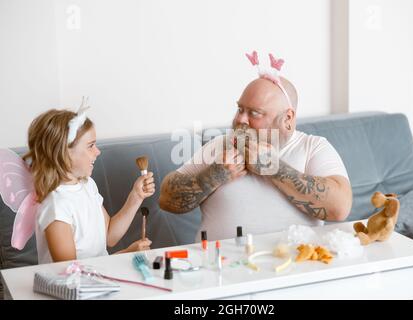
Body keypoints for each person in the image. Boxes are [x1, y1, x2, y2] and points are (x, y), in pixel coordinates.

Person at [159, 52, 352, 241]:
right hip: (220, 267)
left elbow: (340, 208)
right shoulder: (221, 146)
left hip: (292, 267)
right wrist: (214, 175)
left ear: (287, 118)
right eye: (240, 109)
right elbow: (166, 199)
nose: (240, 119)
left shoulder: (312, 147)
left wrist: (274, 168)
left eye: (255, 113)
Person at [24, 108, 154, 263]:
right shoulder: (56, 207)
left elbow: (109, 236)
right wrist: (126, 254)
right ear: (64, 154)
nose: (98, 151)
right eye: (90, 145)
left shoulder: (87, 185)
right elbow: (70, 271)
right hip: (72, 285)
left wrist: (136, 196)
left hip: (98, 281)